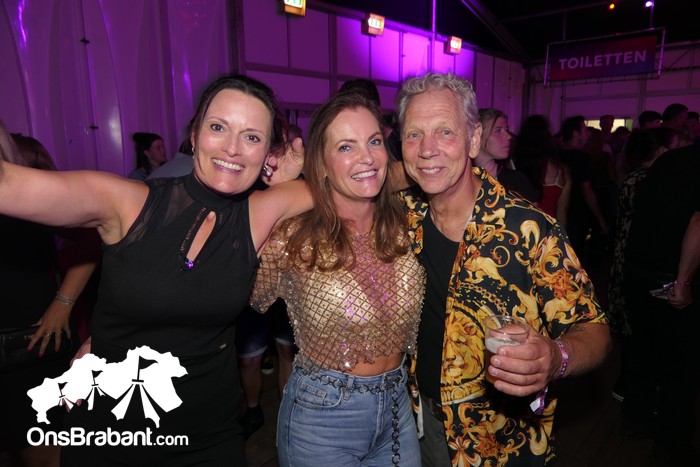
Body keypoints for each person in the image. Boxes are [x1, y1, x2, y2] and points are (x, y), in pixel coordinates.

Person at [0, 74, 306, 466]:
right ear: (194, 135)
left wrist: (288, 178)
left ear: (267, 153)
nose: (232, 147)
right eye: (218, 128)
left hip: (210, 434)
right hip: (113, 434)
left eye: (251, 137)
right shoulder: (128, 203)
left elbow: (352, 188)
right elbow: (9, 185)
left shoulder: (259, 213)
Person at [395, 72, 610, 466]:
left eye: (445, 131)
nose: (427, 149)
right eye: (413, 134)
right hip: (414, 418)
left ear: (473, 139)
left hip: (499, 439)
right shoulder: (400, 217)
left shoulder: (529, 228)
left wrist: (556, 356)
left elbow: (594, 329)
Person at [250, 91, 424, 466]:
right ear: (322, 163)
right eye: (346, 146)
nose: (367, 157)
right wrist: (275, 194)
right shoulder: (292, 236)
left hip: (398, 408)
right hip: (322, 417)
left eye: (374, 141)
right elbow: (227, 290)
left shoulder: (406, 221)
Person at [0, 130, 99, 467]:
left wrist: (63, 303)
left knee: (47, 454)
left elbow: (92, 235)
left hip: (29, 346)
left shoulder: (20, 190)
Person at [620, 142, 700, 465]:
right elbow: (698, 223)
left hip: (639, 270)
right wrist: (683, 281)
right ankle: (671, 445)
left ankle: (636, 418)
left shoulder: (671, 158)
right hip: (670, 275)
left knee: (643, 349)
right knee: (681, 365)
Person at [607, 127, 678, 402]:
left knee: (634, 327)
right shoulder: (646, 180)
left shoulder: (634, 176)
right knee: (638, 329)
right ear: (660, 151)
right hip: (635, 260)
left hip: (628, 258)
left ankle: (630, 386)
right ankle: (630, 387)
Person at [558, 116, 608, 260]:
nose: (589, 133)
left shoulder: (555, 154)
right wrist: (600, 219)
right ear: (576, 133)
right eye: (585, 129)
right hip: (576, 215)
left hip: (557, 212)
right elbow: (587, 191)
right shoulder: (581, 158)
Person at [512, 115, 572, 225]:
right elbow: (562, 213)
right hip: (548, 230)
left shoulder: (512, 166)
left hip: (519, 230)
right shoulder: (562, 170)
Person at [474, 108, 536, 202]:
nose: (509, 136)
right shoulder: (461, 180)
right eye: (498, 131)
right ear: (477, 135)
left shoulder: (516, 181)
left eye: (506, 130)